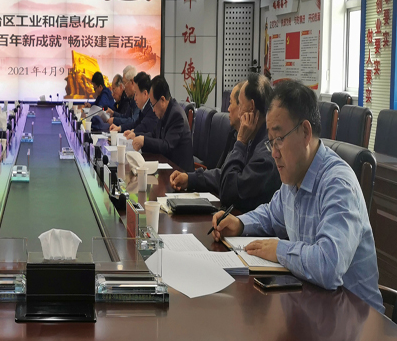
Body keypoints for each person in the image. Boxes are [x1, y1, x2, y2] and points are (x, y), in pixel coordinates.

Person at [211, 80, 384, 313]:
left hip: (356, 320)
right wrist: (240, 223)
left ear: (305, 132)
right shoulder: (294, 177)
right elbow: (272, 215)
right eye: (270, 142)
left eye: (279, 139)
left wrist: (279, 250)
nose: (274, 153)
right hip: (314, 310)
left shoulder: (338, 184)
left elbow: (329, 265)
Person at [171, 75, 281, 212]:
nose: (231, 109)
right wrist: (191, 179)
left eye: (240, 104)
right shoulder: (255, 138)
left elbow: (229, 190)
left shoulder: (266, 155)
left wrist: (240, 142)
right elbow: (226, 175)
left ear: (251, 107)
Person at [131, 75, 194, 171]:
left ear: (162, 100)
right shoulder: (165, 111)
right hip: (167, 165)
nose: (153, 110)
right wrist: (137, 135)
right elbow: (154, 134)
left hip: (179, 171)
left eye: (153, 105)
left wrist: (144, 141)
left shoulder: (176, 115)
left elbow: (167, 146)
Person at [109, 71, 158, 136]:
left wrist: (134, 132)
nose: (135, 98)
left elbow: (143, 127)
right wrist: (120, 128)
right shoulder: (144, 108)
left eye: (136, 94)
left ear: (145, 94)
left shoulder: (152, 109)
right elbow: (135, 124)